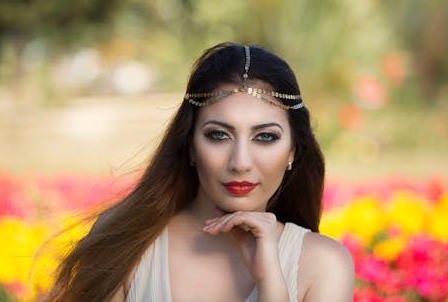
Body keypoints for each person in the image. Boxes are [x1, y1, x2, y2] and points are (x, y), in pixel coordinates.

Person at [44, 42, 354, 302]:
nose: (241, 162)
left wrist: (271, 282)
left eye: (265, 137)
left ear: (292, 152)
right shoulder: (128, 240)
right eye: (219, 135)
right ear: (190, 144)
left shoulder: (324, 265)